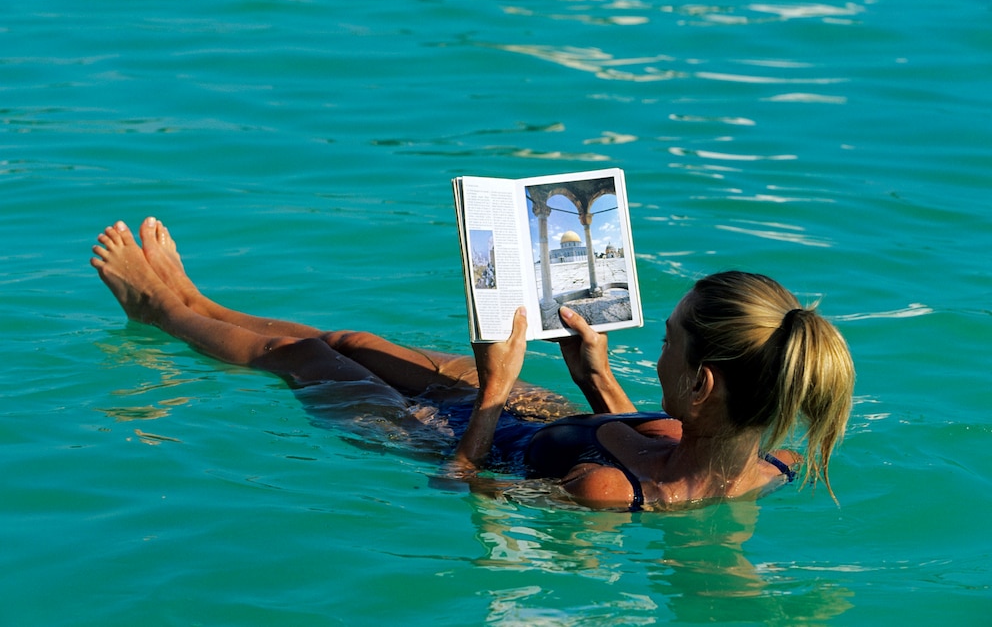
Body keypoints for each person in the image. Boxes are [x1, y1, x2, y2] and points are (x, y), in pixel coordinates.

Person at [91, 217, 855, 511]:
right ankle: (194, 298)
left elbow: (457, 493)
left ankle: (156, 309)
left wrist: (492, 392)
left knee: (298, 358)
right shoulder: (773, 464)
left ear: (702, 380)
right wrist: (593, 372)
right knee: (353, 341)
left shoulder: (607, 492)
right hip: (550, 415)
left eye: (670, 340)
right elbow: (660, 433)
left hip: (466, 435)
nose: (655, 351)